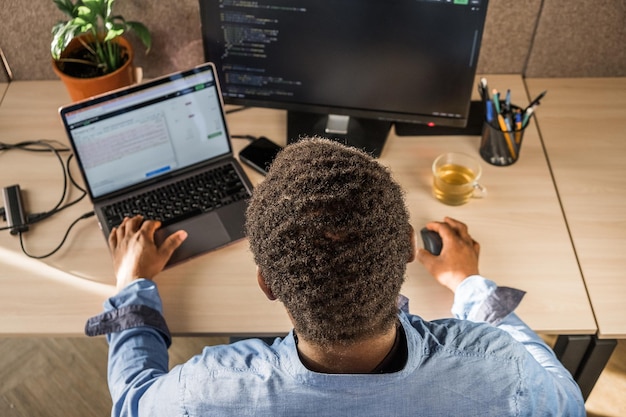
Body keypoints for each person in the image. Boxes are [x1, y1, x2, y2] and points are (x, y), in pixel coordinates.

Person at [86, 138, 585, 416]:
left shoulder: (210, 388)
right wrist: (470, 285)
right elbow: (564, 400)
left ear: (268, 283)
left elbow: (133, 402)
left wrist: (132, 287)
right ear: (410, 249)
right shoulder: (499, 368)